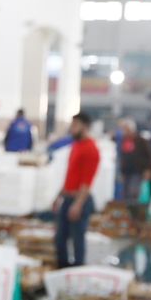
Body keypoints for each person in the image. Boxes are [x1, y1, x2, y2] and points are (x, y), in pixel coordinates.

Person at [54, 112, 100, 268]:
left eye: (75, 125)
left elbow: (87, 181)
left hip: (79, 199)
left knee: (77, 240)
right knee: (60, 238)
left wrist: (78, 204)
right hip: (67, 197)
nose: (71, 128)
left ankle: (77, 270)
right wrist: (58, 196)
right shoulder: (76, 146)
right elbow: (71, 175)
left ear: (85, 126)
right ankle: (63, 269)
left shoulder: (91, 149)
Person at [117, 118, 151, 210]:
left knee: (133, 193)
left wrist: (148, 169)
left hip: (136, 171)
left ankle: (133, 212)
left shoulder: (140, 140)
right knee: (125, 193)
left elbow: (149, 155)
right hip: (126, 171)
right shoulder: (123, 140)